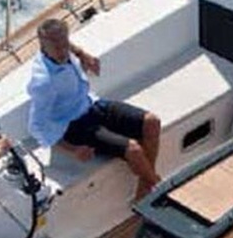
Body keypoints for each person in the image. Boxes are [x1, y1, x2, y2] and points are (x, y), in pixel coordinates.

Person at [27, 18, 161, 200]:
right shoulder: (43, 82)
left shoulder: (62, 50)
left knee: (152, 122)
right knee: (134, 150)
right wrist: (72, 150)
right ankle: (158, 189)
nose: (63, 51)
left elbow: (67, 45)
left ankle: (144, 190)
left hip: (92, 105)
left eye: (65, 44)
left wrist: (82, 54)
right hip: (75, 126)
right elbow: (37, 127)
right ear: (43, 46)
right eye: (57, 47)